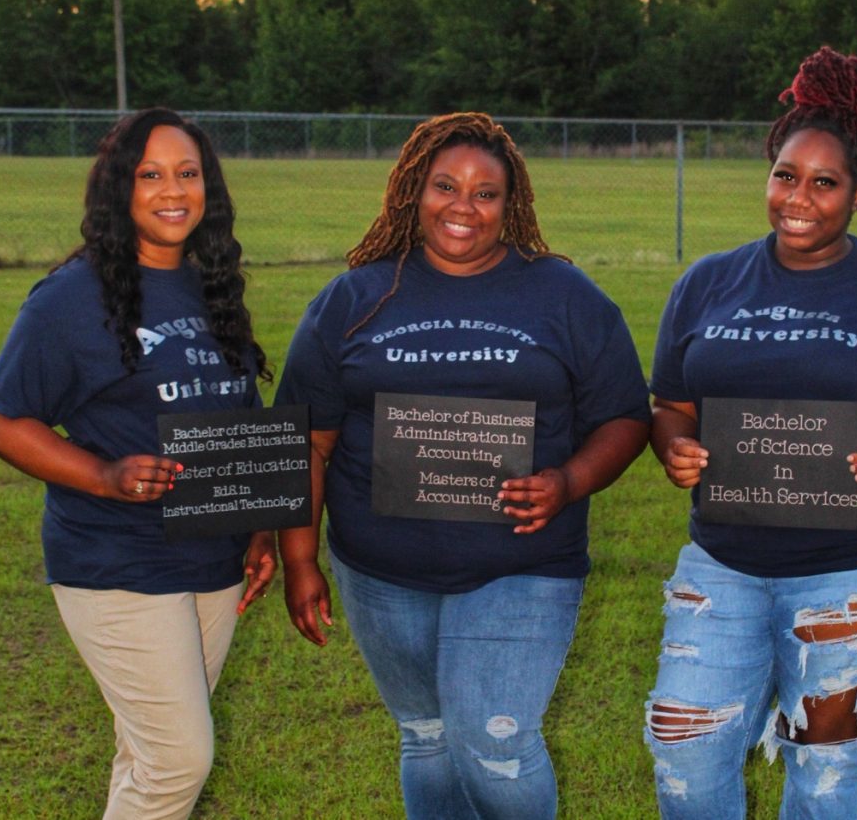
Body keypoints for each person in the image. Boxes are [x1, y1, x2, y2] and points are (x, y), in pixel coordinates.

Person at [276, 111, 650, 819]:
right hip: (381, 570)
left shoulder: (564, 297)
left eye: (486, 193)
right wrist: (300, 560)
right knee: (426, 738)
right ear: (414, 192)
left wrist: (568, 481)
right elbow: (307, 439)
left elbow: (626, 417)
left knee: (494, 744)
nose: (464, 207)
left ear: (511, 205)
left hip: (522, 562)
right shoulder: (354, 300)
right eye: (446, 186)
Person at [644, 47, 857, 818]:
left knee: (825, 768)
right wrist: (674, 446)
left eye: (824, 183)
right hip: (725, 558)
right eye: (785, 176)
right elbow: (671, 404)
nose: (799, 198)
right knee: (683, 742)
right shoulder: (707, 282)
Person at [0, 108, 276, 819]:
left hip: (210, 554)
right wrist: (104, 476)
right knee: (180, 757)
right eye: (150, 175)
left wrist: (261, 525)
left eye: (188, 173)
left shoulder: (211, 283)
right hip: (114, 559)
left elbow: (233, 413)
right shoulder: (69, 299)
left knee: (150, 754)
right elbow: (2, 416)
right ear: (120, 189)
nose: (172, 190)